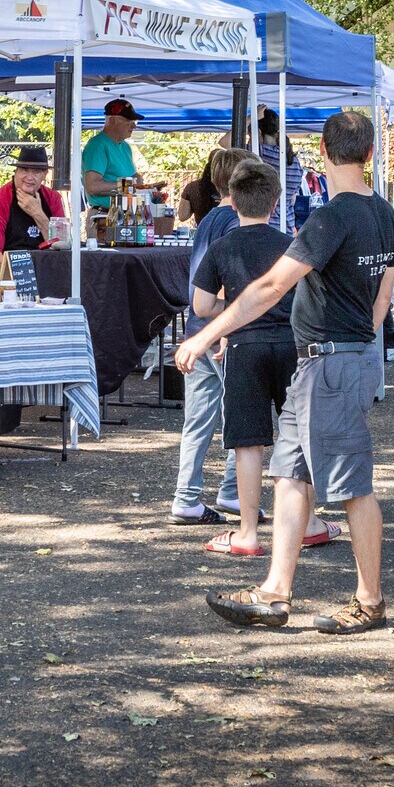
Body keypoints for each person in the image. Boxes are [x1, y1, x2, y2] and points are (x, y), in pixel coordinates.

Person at [182, 110, 394, 635]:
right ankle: (275, 592)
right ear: (369, 154)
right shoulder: (385, 214)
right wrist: (362, 340)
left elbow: (268, 288)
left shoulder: (330, 218)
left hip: (329, 362)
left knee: (352, 486)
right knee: (290, 475)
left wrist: (206, 334)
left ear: (323, 153)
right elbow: (385, 290)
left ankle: (369, 602)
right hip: (331, 361)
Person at [178, 161, 341, 558]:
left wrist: (234, 308)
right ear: (275, 202)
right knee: (301, 435)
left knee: (248, 443)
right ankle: (312, 521)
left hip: (244, 349)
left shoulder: (222, 246)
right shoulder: (293, 244)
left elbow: (200, 304)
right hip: (293, 347)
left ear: (232, 202)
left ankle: (247, 533)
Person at [166, 148, 253, 524]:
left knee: (198, 418)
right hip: (222, 332)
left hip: (197, 331)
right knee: (243, 416)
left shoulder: (208, 220)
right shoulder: (236, 222)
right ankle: (233, 491)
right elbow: (225, 280)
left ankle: (187, 496)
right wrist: (227, 326)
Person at [0, 145, 68, 273]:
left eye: (36, 172)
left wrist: (38, 214)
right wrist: (27, 273)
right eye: (25, 170)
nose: (29, 177)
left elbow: (63, 245)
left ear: (45, 174)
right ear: (16, 171)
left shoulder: (53, 198)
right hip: (11, 274)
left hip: (48, 271)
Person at [82, 99, 164, 211]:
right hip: (104, 216)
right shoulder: (98, 145)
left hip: (126, 213)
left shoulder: (125, 147)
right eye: (128, 121)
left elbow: (133, 177)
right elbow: (93, 186)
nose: (133, 126)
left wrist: (142, 184)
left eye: (134, 122)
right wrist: (129, 184)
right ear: (112, 120)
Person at [176, 138, 232, 224]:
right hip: (226, 232)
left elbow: (183, 216)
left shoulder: (192, 188)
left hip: (203, 232)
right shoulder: (232, 187)